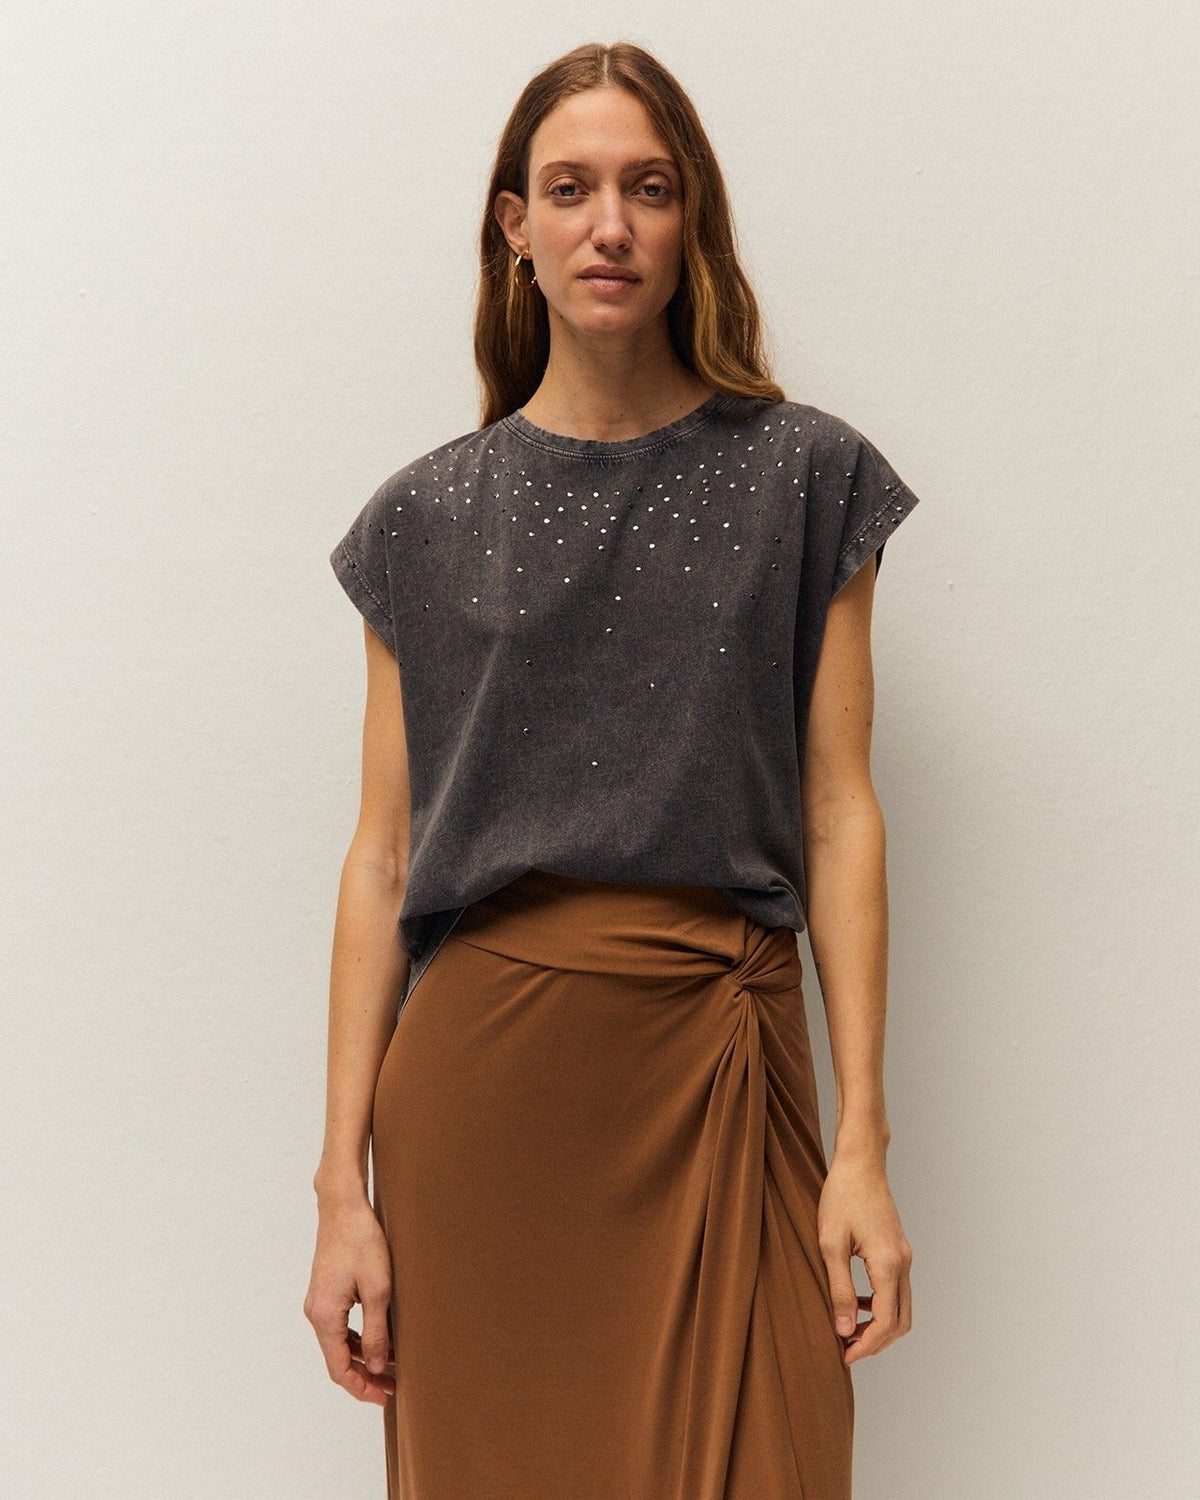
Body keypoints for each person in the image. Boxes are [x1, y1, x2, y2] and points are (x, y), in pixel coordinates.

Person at [305, 39, 918, 1500]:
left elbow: (839, 812)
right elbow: (382, 859)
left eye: (649, 187)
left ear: (691, 216)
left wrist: (863, 1143)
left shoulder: (807, 478)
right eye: (571, 189)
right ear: (514, 225)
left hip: (724, 1057)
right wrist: (341, 1190)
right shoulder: (421, 520)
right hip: (484, 1101)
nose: (611, 225)